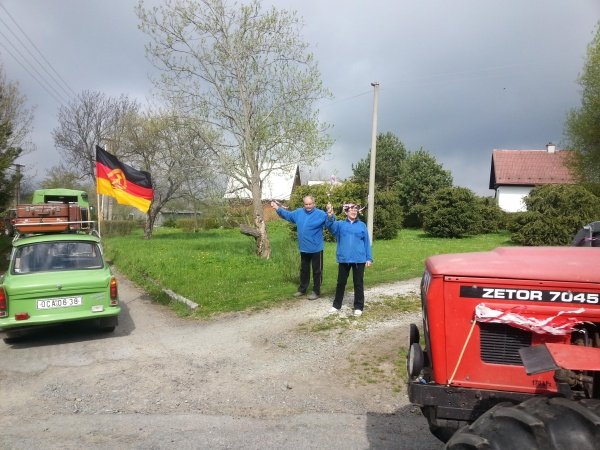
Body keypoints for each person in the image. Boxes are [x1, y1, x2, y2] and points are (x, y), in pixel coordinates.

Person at [271, 195, 328, 300]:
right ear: (304, 204)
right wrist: (278, 209)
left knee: (317, 271)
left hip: (316, 248)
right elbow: (287, 215)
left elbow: (330, 222)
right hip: (304, 248)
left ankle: (316, 291)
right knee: (304, 270)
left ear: (314, 204)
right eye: (306, 204)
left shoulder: (321, 214)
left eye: (310, 204)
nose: (308, 206)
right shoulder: (298, 213)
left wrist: (331, 215)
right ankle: (302, 289)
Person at [325, 202, 373, 316]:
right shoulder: (340, 224)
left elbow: (366, 242)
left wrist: (369, 258)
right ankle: (336, 305)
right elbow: (330, 227)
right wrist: (330, 216)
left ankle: (358, 307)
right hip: (344, 259)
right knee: (341, 283)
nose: (354, 212)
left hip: (359, 259)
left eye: (355, 210)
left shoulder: (362, 225)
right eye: (351, 210)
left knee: (358, 283)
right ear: (346, 212)